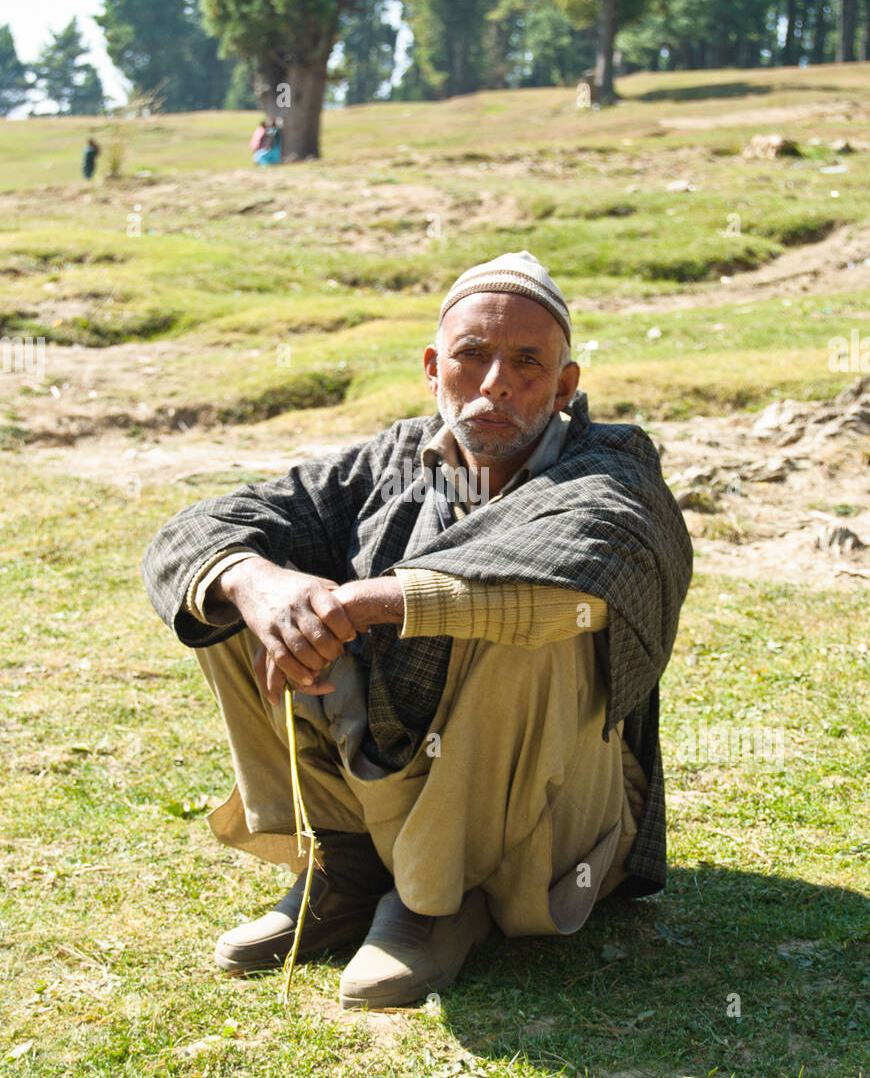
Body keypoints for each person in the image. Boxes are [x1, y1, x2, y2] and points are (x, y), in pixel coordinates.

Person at [142, 250, 692, 1010]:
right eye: (472, 356)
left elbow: (587, 548)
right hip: (396, 774)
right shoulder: (397, 457)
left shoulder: (614, 466)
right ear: (435, 368)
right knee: (233, 589)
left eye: (527, 362)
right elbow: (196, 528)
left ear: (566, 385)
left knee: (542, 611)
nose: (496, 381)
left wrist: (364, 602)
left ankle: (440, 900)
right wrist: (259, 585)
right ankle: (347, 866)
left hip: (552, 806)